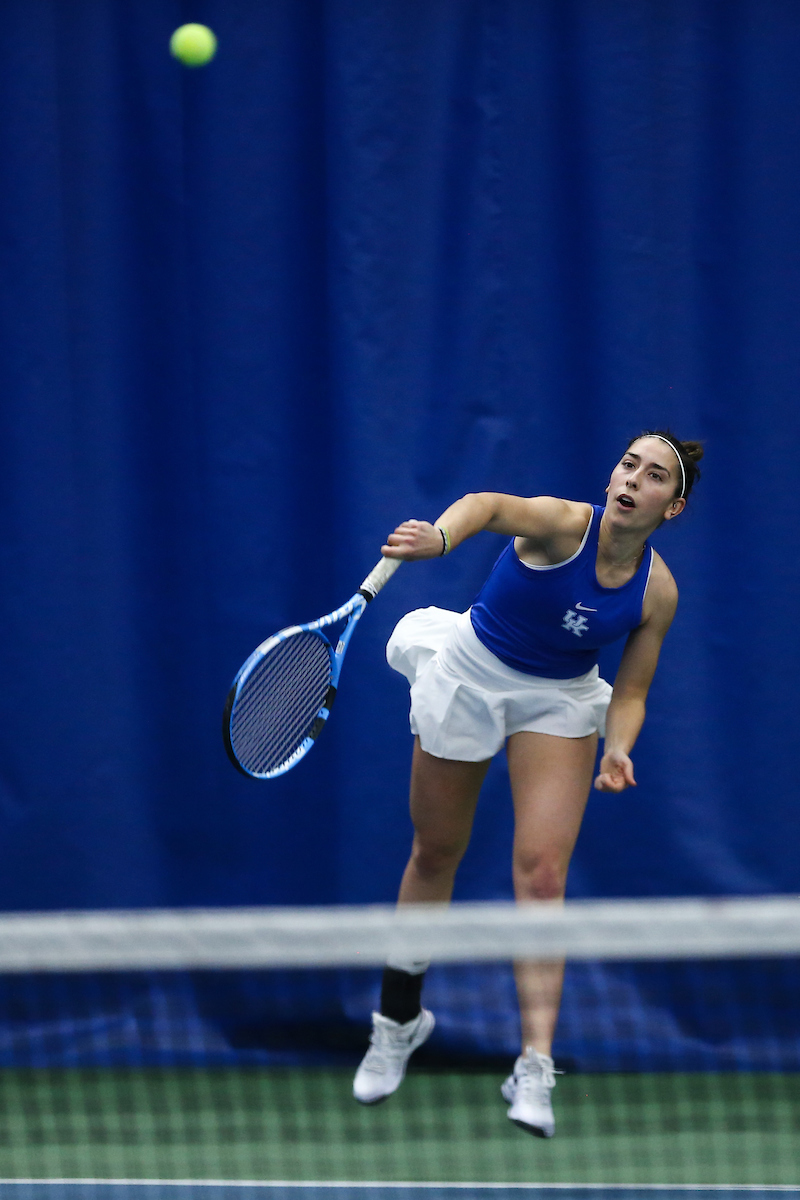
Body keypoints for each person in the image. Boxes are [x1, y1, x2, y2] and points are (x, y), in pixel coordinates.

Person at [352, 430, 703, 1137]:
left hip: (560, 699)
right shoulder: (562, 524)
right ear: (612, 479)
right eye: (629, 464)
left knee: (543, 878)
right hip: (471, 673)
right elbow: (484, 505)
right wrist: (440, 539)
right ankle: (398, 1020)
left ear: (672, 507)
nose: (634, 478)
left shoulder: (656, 591)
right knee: (435, 852)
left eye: (656, 475)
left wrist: (619, 748)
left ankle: (535, 1064)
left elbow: (630, 691)